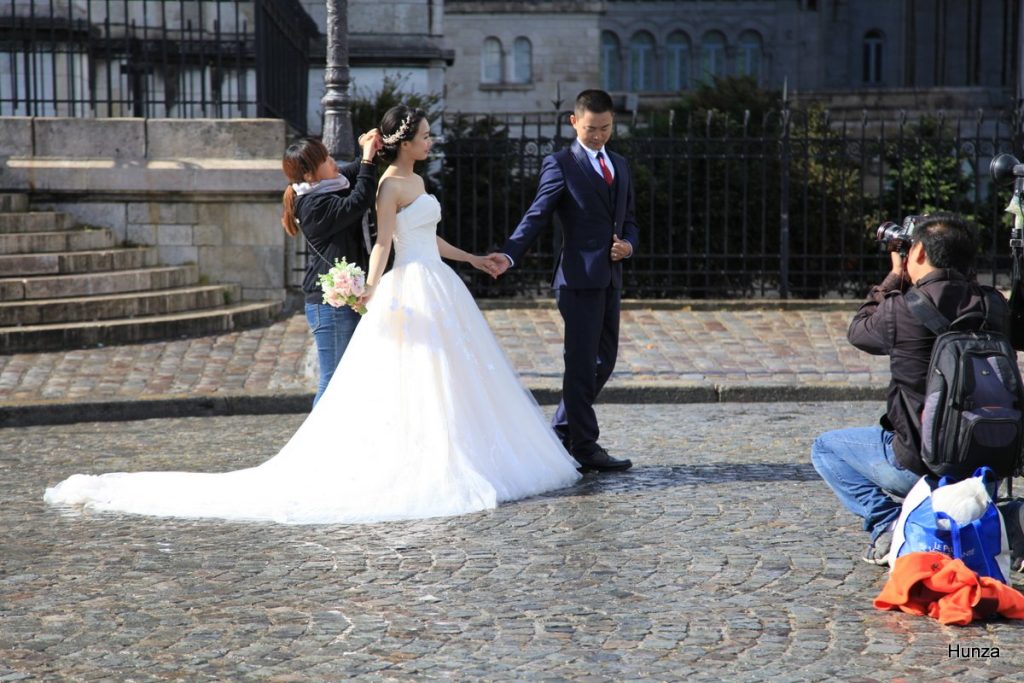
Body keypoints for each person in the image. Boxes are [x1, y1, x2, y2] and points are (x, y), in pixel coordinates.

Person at [42, 105, 581, 524]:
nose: (333, 160)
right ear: (310, 168)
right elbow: (367, 217)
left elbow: (409, 221)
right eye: (325, 156)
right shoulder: (318, 200)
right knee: (338, 383)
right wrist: (370, 285)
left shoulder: (358, 179)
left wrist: (472, 258)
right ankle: (328, 460)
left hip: (429, 283)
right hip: (336, 299)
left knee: (410, 379)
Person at [810, 212, 1008, 565]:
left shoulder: (901, 310)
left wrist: (894, 276)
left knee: (825, 448)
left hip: (920, 463)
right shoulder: (993, 305)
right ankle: (1007, 518)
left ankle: (887, 523)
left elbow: (859, 331)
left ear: (917, 253)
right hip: (986, 462)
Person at [487, 89, 639, 473]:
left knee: (604, 361)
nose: (599, 136)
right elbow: (536, 215)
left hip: (611, 278)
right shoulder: (560, 164)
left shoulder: (619, 164)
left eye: (605, 128)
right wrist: (508, 254)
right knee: (581, 363)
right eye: (591, 129)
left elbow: (631, 220)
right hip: (576, 281)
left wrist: (629, 246)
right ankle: (585, 446)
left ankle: (561, 430)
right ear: (574, 122)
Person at [281, 133, 381, 406]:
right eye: (325, 159)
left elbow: (361, 168)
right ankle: (314, 447)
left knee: (348, 379)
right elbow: (358, 200)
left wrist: (376, 144)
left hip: (341, 301)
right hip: (328, 305)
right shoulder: (313, 204)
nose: (333, 160)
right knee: (333, 379)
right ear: (310, 174)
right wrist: (368, 160)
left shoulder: (330, 184)